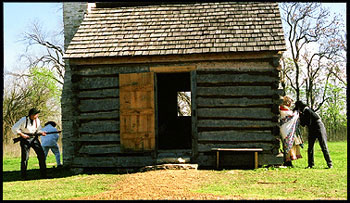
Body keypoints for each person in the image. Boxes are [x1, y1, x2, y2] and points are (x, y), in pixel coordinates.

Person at [294, 101, 333, 169]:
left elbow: (305, 122)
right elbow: (304, 124)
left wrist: (300, 117)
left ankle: (330, 164)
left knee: (323, 145)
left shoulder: (306, 110)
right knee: (310, 147)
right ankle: (310, 164)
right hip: (312, 128)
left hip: (318, 127)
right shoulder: (305, 110)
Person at [11, 108, 47, 179]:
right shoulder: (23, 120)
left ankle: (43, 175)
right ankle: (23, 176)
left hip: (34, 138)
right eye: (36, 114)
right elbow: (14, 128)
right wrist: (22, 135)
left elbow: (39, 129)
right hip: (25, 139)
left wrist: (41, 133)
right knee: (25, 158)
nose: (37, 116)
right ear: (32, 115)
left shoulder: (37, 120)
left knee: (41, 155)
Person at [279, 96, 303, 167]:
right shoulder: (283, 109)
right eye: (290, 102)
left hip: (287, 128)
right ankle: (287, 161)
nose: (290, 104)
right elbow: (292, 116)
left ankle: (288, 160)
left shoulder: (285, 109)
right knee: (287, 144)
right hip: (286, 128)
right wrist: (296, 113)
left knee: (289, 144)